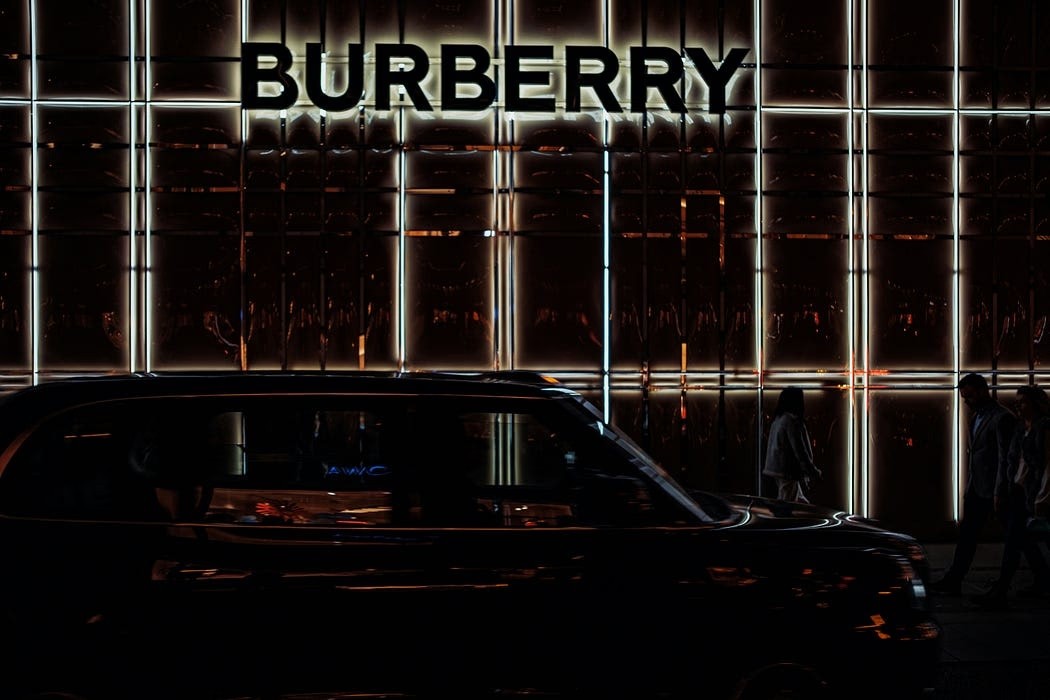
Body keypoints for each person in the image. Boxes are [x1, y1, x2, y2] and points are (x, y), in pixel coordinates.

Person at [930, 373, 1016, 595]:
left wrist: (999, 491)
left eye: (969, 396)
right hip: (977, 488)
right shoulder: (977, 416)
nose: (966, 401)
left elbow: (1005, 458)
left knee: (1017, 537)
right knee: (969, 536)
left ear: (982, 391)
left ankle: (1036, 577)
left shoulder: (1002, 418)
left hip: (995, 490)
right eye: (964, 397)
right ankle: (955, 579)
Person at [970, 385, 1050, 608]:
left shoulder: (1044, 428)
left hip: (1035, 493)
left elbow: (1047, 465)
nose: (1018, 405)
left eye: (1023, 402)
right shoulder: (1020, 428)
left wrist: (1042, 498)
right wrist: (1005, 488)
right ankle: (1030, 582)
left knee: (1018, 541)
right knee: (1018, 541)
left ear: (1035, 404)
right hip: (1018, 491)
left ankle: (1003, 589)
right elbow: (1011, 461)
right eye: (1017, 402)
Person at [763, 387, 822, 503]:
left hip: (779, 470)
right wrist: (812, 471)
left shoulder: (779, 420)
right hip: (788, 472)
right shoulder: (791, 422)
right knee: (788, 505)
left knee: (798, 501)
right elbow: (800, 450)